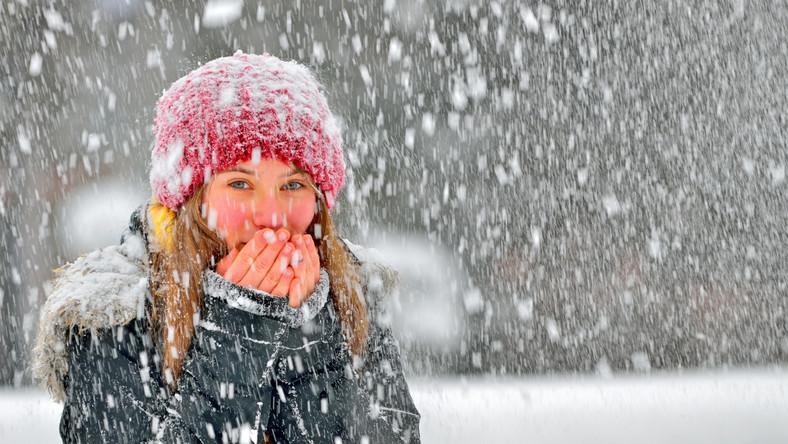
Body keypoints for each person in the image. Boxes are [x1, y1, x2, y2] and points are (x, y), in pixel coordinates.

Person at [32, 51, 421, 443]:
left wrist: (309, 332)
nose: (271, 216)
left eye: (293, 185)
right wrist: (238, 330)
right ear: (190, 201)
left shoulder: (349, 295)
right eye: (239, 183)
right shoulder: (115, 317)